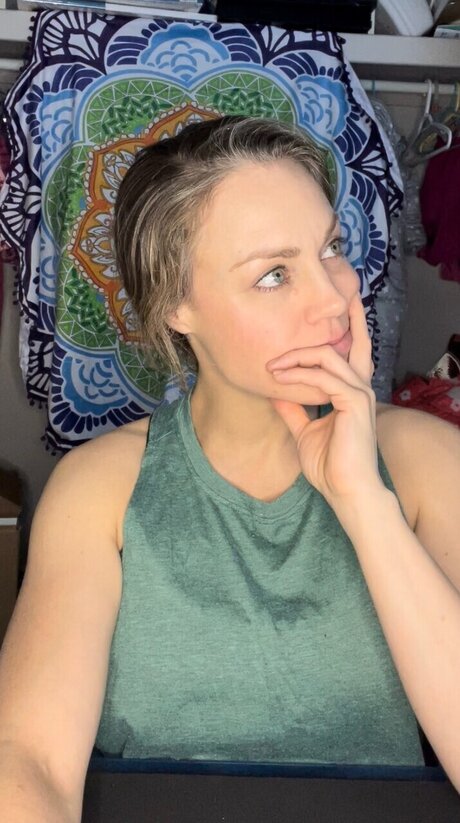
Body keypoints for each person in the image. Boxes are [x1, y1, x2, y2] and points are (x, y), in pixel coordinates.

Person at [0, 116, 459, 821]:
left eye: (331, 248)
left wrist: (365, 500)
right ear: (176, 306)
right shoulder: (102, 488)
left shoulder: (426, 461)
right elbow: (26, 758)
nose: (335, 298)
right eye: (274, 274)